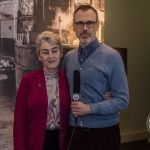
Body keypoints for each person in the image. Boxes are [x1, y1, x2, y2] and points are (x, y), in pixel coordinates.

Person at [62, 4, 129, 150]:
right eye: (80, 23)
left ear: (97, 26)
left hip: (104, 133)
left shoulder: (113, 57)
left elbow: (123, 100)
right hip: (74, 132)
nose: (85, 28)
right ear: (74, 27)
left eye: (90, 23)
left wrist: (90, 108)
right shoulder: (68, 58)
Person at [13, 31, 71, 150]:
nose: (51, 56)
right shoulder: (28, 80)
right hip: (36, 142)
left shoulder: (68, 79)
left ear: (60, 53)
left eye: (54, 51)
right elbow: (19, 121)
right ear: (39, 56)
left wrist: (105, 94)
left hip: (63, 142)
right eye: (45, 52)